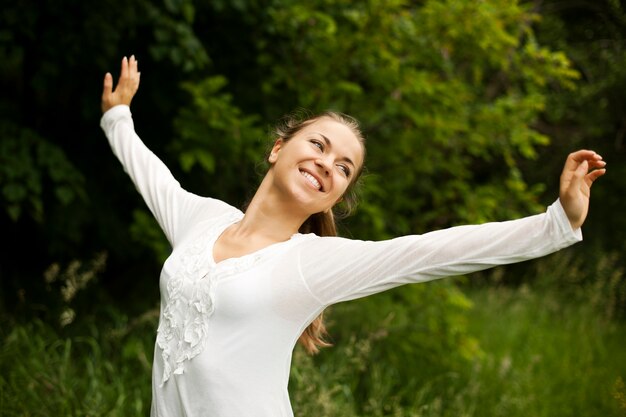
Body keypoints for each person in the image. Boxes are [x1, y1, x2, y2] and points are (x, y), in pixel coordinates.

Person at [100, 56, 606, 417]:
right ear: (279, 148)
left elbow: (432, 250)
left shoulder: (312, 263)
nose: (326, 163)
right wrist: (117, 116)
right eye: (317, 144)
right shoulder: (202, 219)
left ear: (336, 197)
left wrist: (556, 222)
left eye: (343, 167)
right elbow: (153, 177)